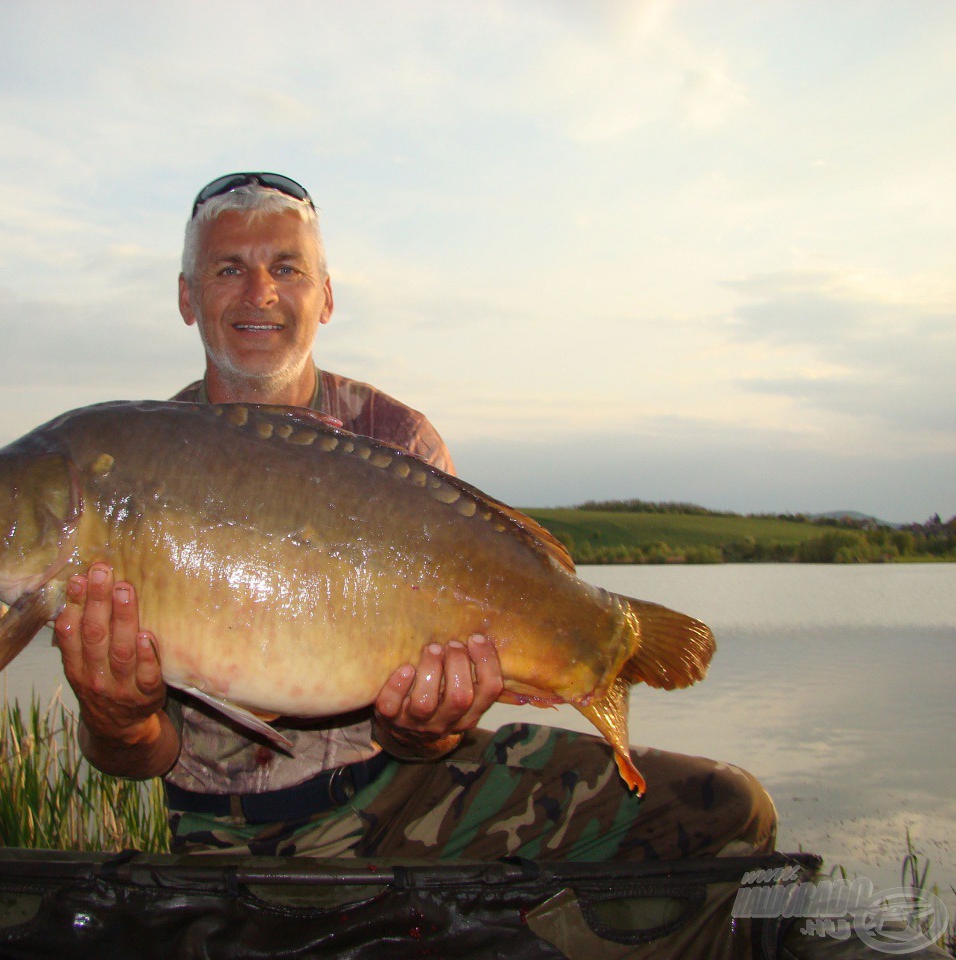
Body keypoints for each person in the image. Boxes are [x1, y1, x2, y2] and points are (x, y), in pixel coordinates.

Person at [53, 173, 776, 862]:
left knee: (729, 810)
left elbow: (424, 740)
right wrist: (117, 716)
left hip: (403, 794)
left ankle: (599, 652)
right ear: (187, 297)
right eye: (227, 270)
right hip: (226, 834)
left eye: (287, 268)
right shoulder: (133, 465)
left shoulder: (398, 441)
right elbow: (137, 757)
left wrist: (427, 727)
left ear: (326, 296)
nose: (260, 293)